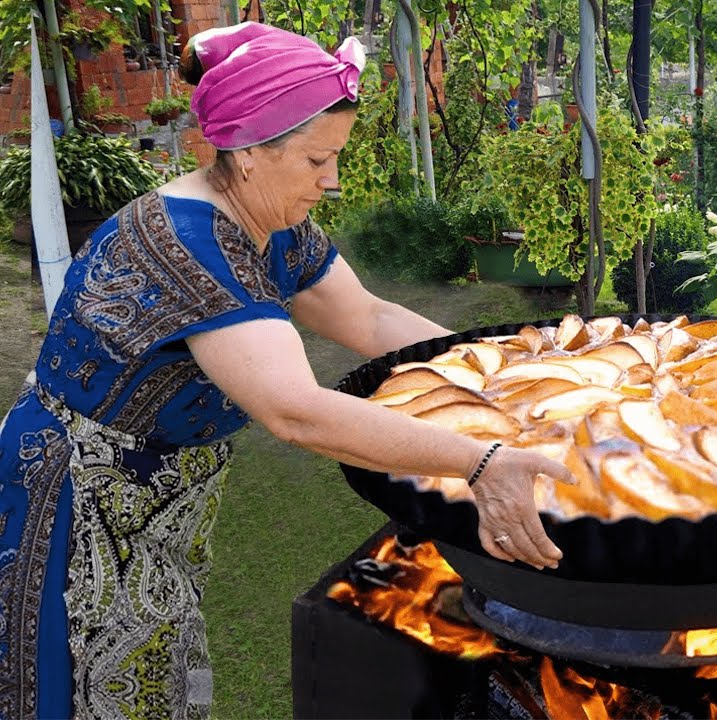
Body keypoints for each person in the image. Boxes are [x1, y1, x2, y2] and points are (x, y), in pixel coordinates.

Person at [0, 22, 569, 719]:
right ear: (244, 153)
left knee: (162, 666)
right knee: (86, 686)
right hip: (80, 494)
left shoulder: (270, 223)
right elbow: (294, 410)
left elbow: (368, 319)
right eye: (315, 161)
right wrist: (481, 461)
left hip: (158, 487)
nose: (330, 182)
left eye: (337, 158)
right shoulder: (188, 245)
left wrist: (511, 369)